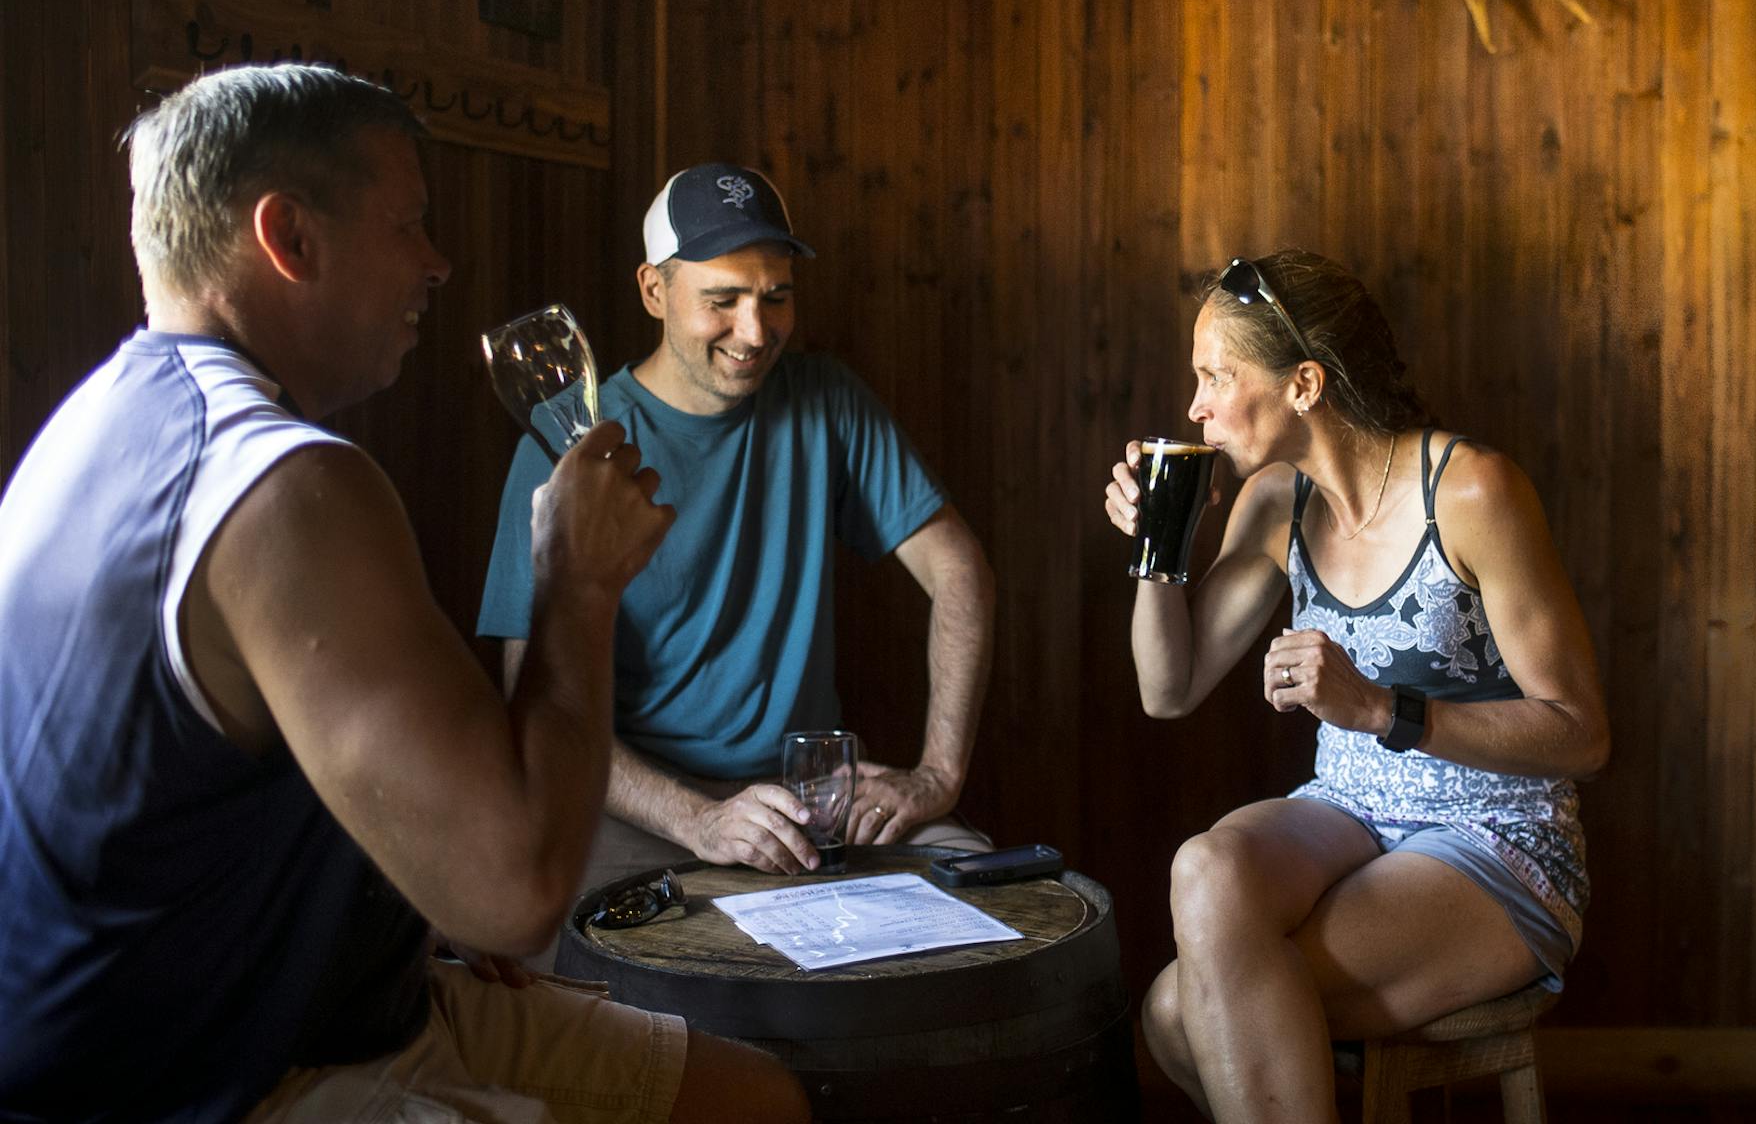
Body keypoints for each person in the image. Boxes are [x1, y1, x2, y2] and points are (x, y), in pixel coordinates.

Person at [0, 65, 808, 1123]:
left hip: (311, 1002)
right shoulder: (283, 485)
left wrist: (398, 919)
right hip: (197, 1080)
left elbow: (195, 794)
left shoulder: (98, 418)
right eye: (410, 226)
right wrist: (576, 584)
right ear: (290, 236)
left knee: (755, 1103)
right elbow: (519, 899)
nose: (438, 264)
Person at [1102, 249, 1609, 1123]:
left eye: (1217, 374)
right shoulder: (1274, 504)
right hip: (1349, 809)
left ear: (1304, 383)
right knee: (1207, 865)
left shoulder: (1471, 491)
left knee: (1181, 1008)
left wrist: (1380, 709)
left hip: (1497, 838)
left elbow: (1581, 733)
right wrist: (1159, 549)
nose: (1196, 407)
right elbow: (1168, 690)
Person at [479, 162, 994, 886]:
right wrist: (698, 820)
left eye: (775, 297)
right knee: (577, 936)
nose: (755, 331)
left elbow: (959, 570)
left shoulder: (826, 399)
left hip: (806, 801)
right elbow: (528, 696)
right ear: (654, 291)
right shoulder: (568, 443)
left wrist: (937, 774)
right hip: (632, 805)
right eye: (723, 300)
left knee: (974, 892)